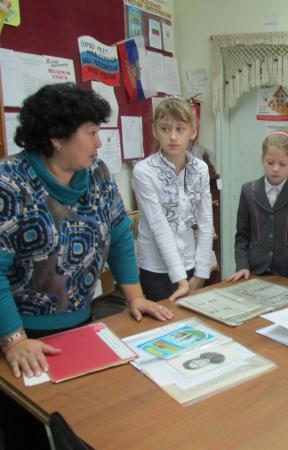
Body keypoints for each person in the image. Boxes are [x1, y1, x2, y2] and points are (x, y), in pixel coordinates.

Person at [0, 83, 174, 449]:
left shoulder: (97, 175)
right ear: (57, 137)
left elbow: (119, 235)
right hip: (20, 336)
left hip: (80, 325)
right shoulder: (10, 183)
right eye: (91, 133)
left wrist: (135, 296)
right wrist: (14, 340)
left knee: (82, 421)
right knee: (28, 431)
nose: (99, 142)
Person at [132, 97, 213, 302]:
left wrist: (202, 272)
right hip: (155, 267)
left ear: (192, 131)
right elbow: (158, 225)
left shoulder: (201, 169)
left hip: (190, 262)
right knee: (164, 318)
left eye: (180, 129)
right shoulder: (144, 171)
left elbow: (206, 222)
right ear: (155, 130)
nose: (173, 136)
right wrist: (180, 280)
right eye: (165, 129)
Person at [228, 130, 288, 287]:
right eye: (270, 162)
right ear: (262, 159)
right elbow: (242, 237)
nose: (276, 169)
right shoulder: (248, 191)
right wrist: (242, 265)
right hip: (254, 273)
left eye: (282, 164)